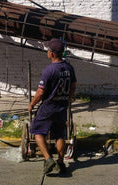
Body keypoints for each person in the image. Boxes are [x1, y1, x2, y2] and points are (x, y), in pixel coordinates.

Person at [28, 38, 77, 175]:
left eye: (48, 50)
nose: (47, 52)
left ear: (52, 53)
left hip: (49, 106)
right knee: (60, 134)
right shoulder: (69, 68)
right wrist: (67, 99)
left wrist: (32, 104)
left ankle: (49, 159)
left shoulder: (49, 70)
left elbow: (40, 92)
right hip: (61, 106)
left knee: (37, 131)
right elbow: (73, 86)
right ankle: (60, 162)